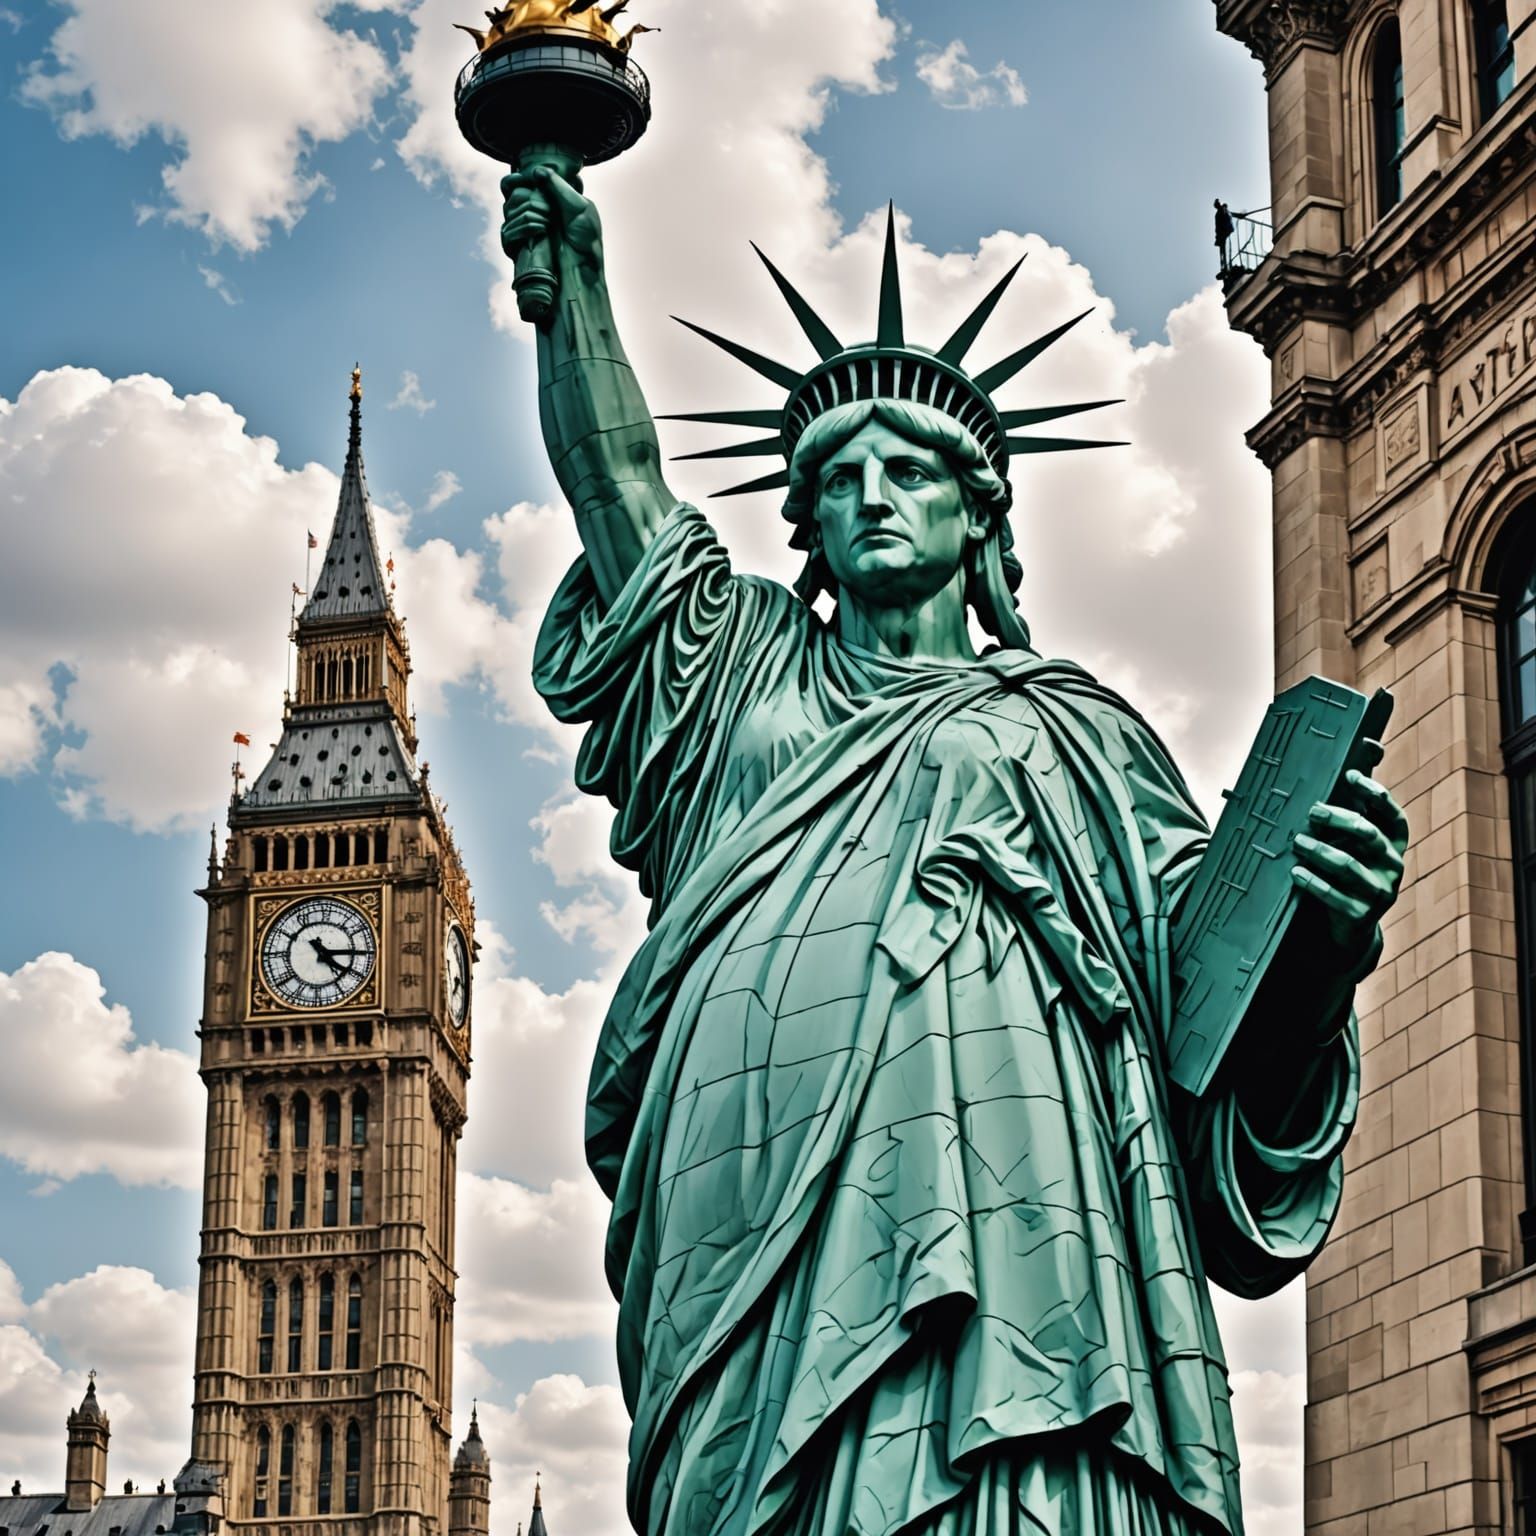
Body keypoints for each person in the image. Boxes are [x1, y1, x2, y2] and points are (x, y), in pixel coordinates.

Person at [502, 168, 1408, 1536]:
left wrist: (1319, 952)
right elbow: (619, 487)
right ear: (802, 528)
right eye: (839, 478)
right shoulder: (738, 672)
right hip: (744, 1213)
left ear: (976, 517)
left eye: (910, 471)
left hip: (1025, 1238)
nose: (873, 496)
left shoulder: (1077, 734)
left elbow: (1203, 1026)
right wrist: (572, 292)